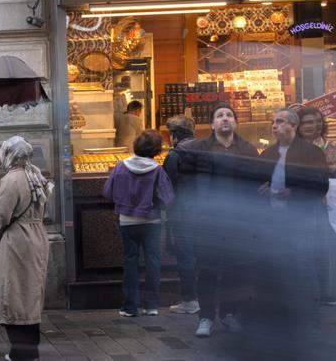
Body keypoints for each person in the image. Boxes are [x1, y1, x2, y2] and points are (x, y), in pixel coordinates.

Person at [247, 108, 329, 360]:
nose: (274, 126)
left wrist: (294, 192)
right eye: (273, 122)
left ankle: (309, 316)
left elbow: (319, 184)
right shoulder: (269, 153)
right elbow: (258, 180)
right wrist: (261, 189)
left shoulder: (310, 153)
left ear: (292, 126)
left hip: (300, 219)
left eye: (280, 122)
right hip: (273, 220)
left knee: (303, 266)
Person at [184, 103, 259, 337]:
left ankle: (228, 314)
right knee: (206, 269)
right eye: (219, 115)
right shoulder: (198, 148)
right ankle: (205, 317)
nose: (225, 119)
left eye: (229, 115)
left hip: (239, 220)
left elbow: (255, 182)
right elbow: (187, 181)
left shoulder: (247, 149)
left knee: (234, 270)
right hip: (208, 220)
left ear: (235, 122)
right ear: (212, 123)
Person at [0, 136, 52, 361]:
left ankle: (20, 352)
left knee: (14, 294)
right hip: (37, 236)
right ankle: (31, 350)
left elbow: (1, 216)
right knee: (31, 295)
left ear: (9, 155)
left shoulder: (11, 179)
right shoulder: (35, 174)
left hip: (18, 241)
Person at [103, 129, 174, 317]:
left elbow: (108, 192)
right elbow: (167, 198)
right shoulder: (157, 171)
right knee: (153, 261)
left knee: (130, 262)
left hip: (127, 221)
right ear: (157, 150)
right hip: (152, 221)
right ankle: (152, 306)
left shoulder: (120, 167)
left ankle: (130, 306)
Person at [296, 106, 336, 306]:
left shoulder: (333, 148)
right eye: (306, 122)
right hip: (300, 206)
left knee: (328, 250)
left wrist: (334, 170)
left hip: (328, 207)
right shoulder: (291, 148)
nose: (311, 126)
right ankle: (306, 293)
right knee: (302, 249)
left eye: (315, 122)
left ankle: (330, 293)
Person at [161, 115, 200, 315]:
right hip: (206, 213)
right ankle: (205, 297)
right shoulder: (207, 149)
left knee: (185, 256)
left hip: (183, 213)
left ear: (174, 135)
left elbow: (167, 187)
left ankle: (190, 299)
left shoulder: (175, 156)